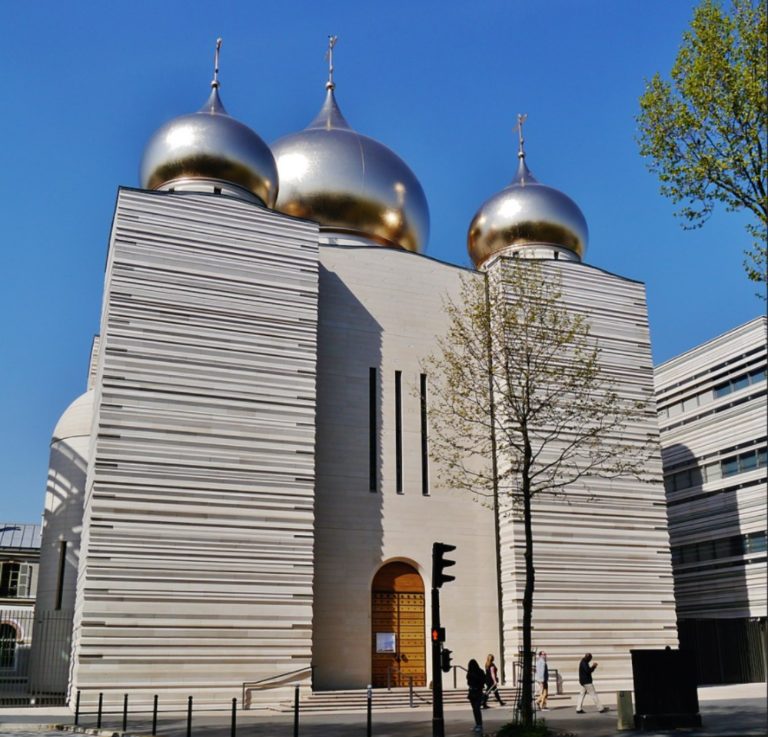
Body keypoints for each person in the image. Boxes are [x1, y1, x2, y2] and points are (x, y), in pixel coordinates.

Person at [467, 659, 486, 732]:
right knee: (475, 709)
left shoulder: (480, 672)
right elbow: (468, 682)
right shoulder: (470, 673)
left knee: (476, 708)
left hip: (478, 692)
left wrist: (476, 679)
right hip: (472, 692)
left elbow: (483, 680)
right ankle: (477, 724)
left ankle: (479, 724)